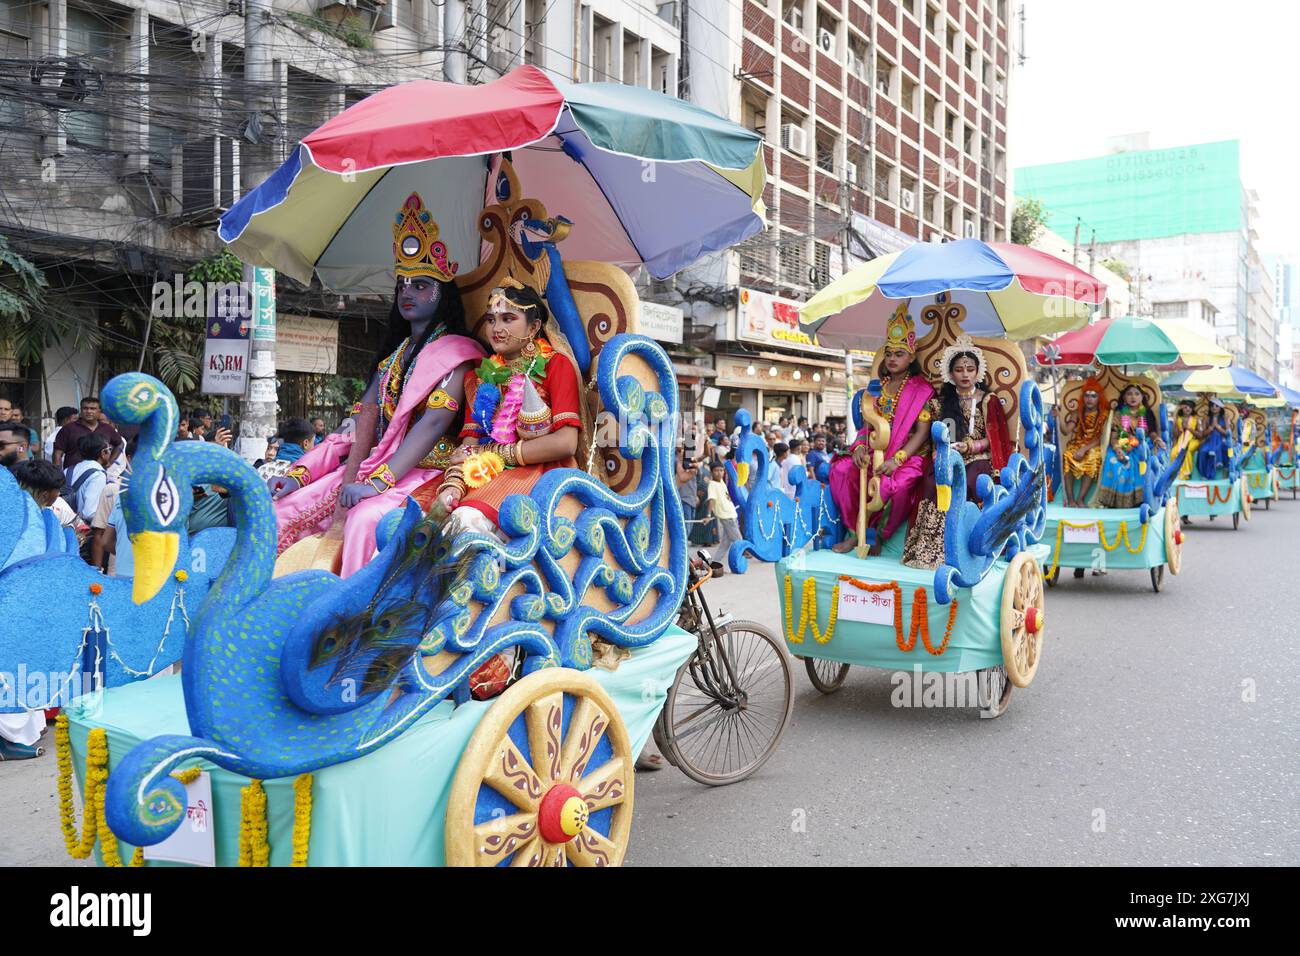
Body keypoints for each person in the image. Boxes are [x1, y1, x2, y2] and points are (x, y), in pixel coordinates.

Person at [267, 194, 483, 576]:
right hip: (373, 466)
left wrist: (378, 484)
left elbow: (431, 426)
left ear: (442, 293)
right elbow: (354, 428)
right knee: (280, 510)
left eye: (420, 285)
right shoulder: (392, 359)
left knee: (365, 517)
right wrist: (299, 473)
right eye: (402, 285)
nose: (407, 293)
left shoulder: (457, 354)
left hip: (424, 472)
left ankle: (355, 622)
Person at [430, 280, 583, 531]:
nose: (496, 328)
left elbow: (566, 443)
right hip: (482, 472)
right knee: (427, 517)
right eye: (491, 319)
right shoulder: (478, 378)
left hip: (540, 472)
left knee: (465, 521)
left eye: (508, 319)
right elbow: (470, 445)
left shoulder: (556, 366)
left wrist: (495, 453)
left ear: (534, 327)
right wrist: (452, 486)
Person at [829, 304, 935, 555]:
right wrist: (860, 448)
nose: (892, 358)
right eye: (889, 353)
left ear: (911, 357)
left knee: (892, 485)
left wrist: (898, 459)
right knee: (844, 470)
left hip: (911, 454)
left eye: (899, 354)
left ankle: (879, 537)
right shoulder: (877, 387)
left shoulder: (921, 389)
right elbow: (868, 423)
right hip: (877, 447)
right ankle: (855, 534)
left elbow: (922, 432)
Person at [903, 338, 1011, 569]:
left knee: (971, 478)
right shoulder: (940, 403)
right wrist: (938, 454)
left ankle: (968, 546)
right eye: (959, 370)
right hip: (948, 457)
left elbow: (995, 439)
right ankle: (931, 551)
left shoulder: (987, 400)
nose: (965, 374)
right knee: (934, 481)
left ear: (978, 372)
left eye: (970, 369)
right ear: (950, 374)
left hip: (978, 458)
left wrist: (971, 447)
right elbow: (935, 437)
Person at [1096, 384, 1161, 509]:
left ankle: (1139, 499)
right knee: (1113, 461)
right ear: (1124, 397)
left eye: (1137, 394)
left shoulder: (1146, 413)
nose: (1133, 397)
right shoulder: (1118, 414)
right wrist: (1118, 450)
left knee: (1138, 461)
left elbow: (1152, 432)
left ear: (1142, 397)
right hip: (1121, 443)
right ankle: (1113, 501)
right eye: (1129, 394)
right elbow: (1114, 436)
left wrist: (1157, 439)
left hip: (1141, 444)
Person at [1059, 376, 1107, 507]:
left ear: (1099, 398)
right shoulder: (1077, 413)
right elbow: (1066, 431)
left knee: (1093, 457)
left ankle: (1081, 498)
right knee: (1067, 456)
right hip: (1077, 443)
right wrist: (1058, 417)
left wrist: (1084, 449)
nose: (1089, 399)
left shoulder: (1103, 415)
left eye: (1093, 396)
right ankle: (1070, 499)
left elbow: (1100, 438)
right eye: (1086, 395)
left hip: (1094, 445)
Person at [52, 396, 121, 471]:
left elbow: (120, 444)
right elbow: (57, 454)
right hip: (74, 475)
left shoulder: (107, 428)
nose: (88, 411)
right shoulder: (68, 429)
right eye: (85, 408)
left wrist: (110, 461)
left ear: (99, 411)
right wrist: (58, 474)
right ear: (81, 410)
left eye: (92, 409)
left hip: (99, 473)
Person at [705, 462, 742, 573]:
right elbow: (712, 500)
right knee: (739, 542)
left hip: (732, 514)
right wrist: (708, 515)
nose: (719, 473)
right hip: (726, 517)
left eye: (721, 470)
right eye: (716, 470)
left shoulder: (721, 482)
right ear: (712, 472)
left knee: (725, 544)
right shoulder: (712, 484)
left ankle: (713, 566)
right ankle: (739, 565)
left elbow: (726, 497)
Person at [1172, 399, 1200, 482]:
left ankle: (1186, 473)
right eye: (1185, 407)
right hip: (1181, 440)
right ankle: (1176, 472)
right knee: (1174, 452)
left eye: (1190, 407)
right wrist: (1179, 429)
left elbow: (1200, 434)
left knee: (1187, 451)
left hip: (1193, 440)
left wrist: (1188, 428)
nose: (1188, 409)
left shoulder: (1196, 419)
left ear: (1192, 409)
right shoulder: (1178, 419)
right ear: (1181, 409)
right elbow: (1175, 435)